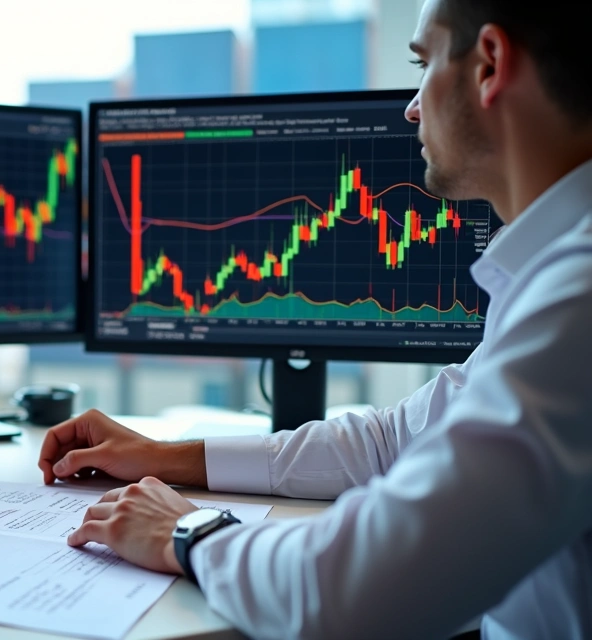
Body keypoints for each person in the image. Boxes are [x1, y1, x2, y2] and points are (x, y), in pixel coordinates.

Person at [39, 1, 592, 638]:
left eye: (424, 63)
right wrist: (162, 455)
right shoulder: (552, 275)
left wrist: (186, 531)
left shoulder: (577, 301)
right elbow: (392, 442)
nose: (412, 107)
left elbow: (357, 592)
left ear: (489, 65)